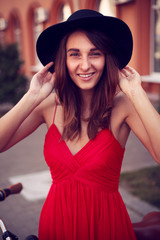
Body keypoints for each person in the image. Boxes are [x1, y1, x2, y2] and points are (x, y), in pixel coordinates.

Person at [0, 8, 160, 240]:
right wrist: (32, 96)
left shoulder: (123, 106)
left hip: (107, 227)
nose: (85, 65)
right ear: (63, 60)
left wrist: (137, 92)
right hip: (56, 225)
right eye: (75, 54)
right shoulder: (48, 106)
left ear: (107, 58)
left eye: (95, 53)